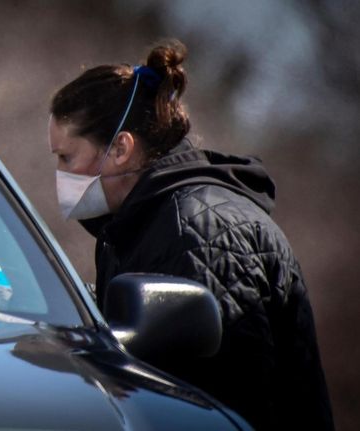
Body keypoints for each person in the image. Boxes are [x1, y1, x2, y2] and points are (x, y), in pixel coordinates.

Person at [48, 39, 333, 430]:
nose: (60, 175)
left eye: (67, 157)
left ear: (120, 149)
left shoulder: (197, 231)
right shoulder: (143, 223)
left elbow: (217, 402)